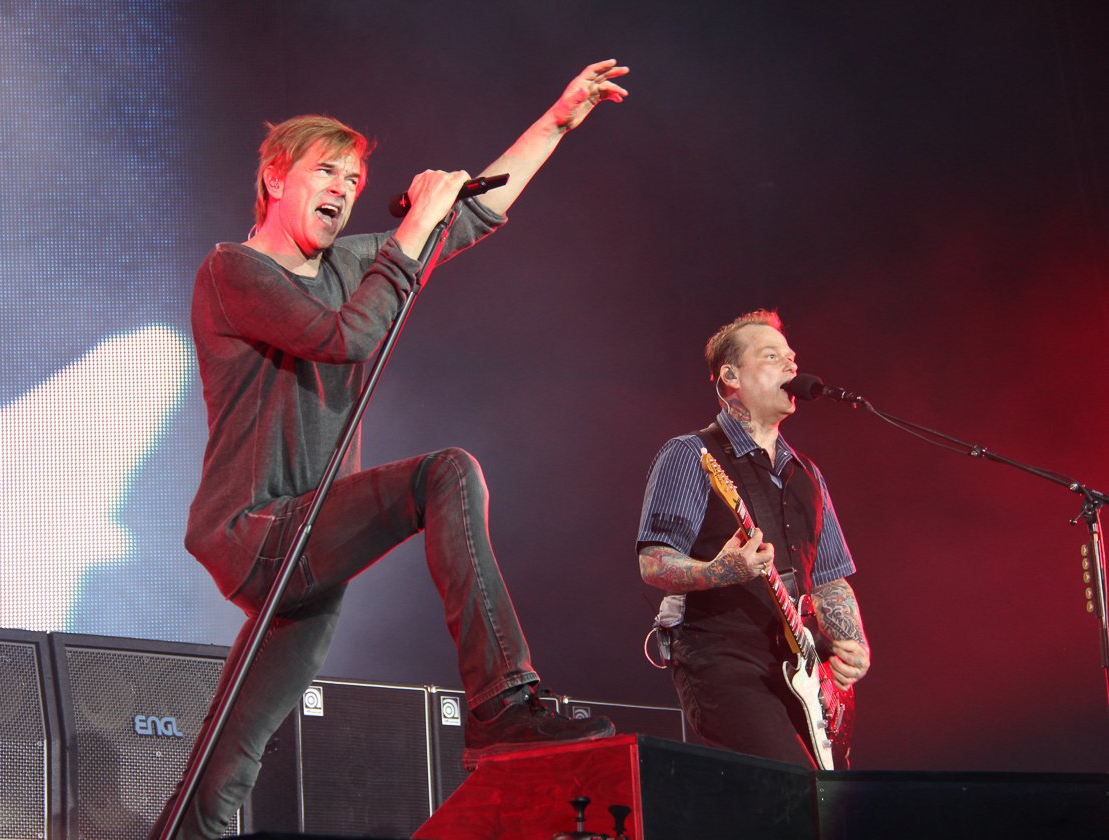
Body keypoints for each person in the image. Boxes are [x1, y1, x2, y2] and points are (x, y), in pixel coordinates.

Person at [154, 60, 630, 837]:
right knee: (445, 474)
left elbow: (476, 213)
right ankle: (503, 702)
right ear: (276, 179)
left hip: (312, 549)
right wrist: (409, 234)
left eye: (355, 175)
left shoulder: (354, 265)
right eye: (327, 170)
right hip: (259, 532)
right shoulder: (232, 271)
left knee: (223, 779)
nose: (343, 187)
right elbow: (341, 338)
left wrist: (556, 119)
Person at [635, 310, 870, 767]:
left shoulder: (808, 475)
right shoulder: (690, 454)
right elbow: (654, 562)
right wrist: (720, 571)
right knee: (795, 788)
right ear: (730, 376)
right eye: (771, 356)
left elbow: (829, 580)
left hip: (802, 668)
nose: (791, 367)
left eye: (791, 358)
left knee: (825, 804)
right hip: (722, 660)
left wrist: (854, 645)